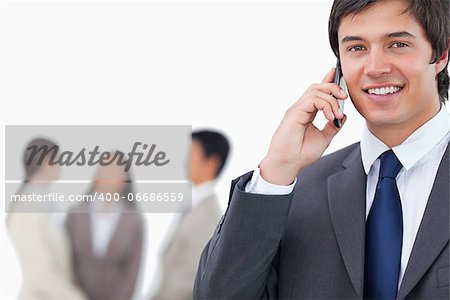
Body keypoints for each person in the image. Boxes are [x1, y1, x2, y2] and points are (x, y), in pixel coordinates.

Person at [194, 0, 449, 299]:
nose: (376, 67)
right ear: (339, 67)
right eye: (357, 48)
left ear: (440, 54)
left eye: (398, 44)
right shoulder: (294, 192)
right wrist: (277, 168)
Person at [153, 130, 230, 300]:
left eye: (191, 154)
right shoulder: (192, 205)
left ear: (212, 162)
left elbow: (191, 280)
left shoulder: (209, 218)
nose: (186, 161)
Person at [7, 138, 86, 300]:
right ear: (45, 161)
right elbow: (40, 275)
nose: (60, 166)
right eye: (58, 160)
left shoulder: (45, 201)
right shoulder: (26, 208)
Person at [66, 156, 144, 300]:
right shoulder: (76, 214)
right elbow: (67, 261)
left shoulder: (134, 221)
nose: (109, 178)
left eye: (116, 172)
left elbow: (132, 271)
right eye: (105, 170)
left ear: (125, 180)